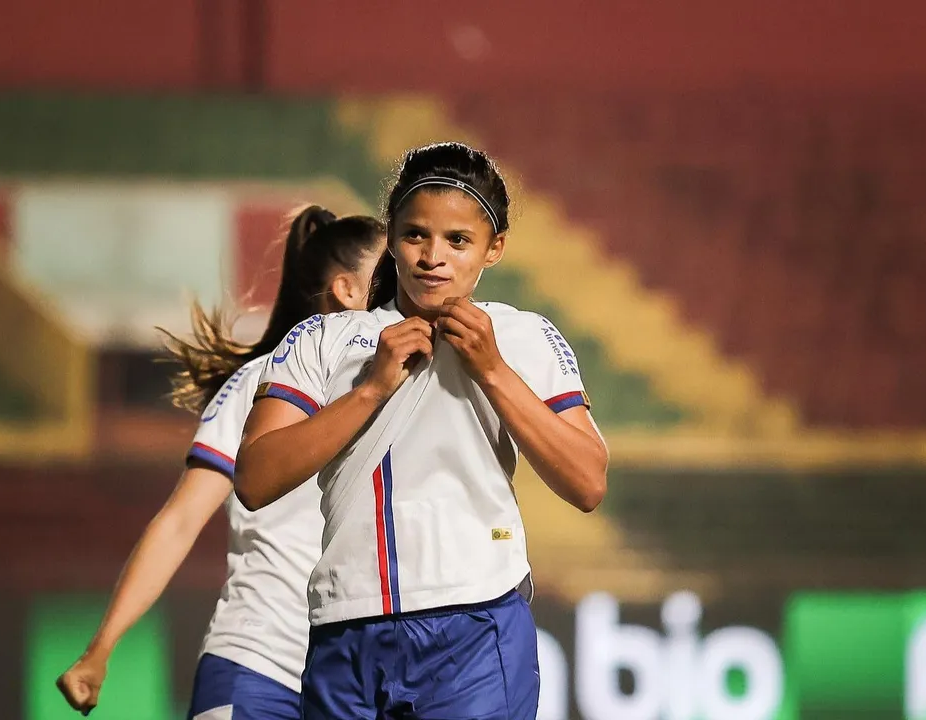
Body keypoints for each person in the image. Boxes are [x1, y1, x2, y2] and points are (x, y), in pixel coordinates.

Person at [236, 142, 609, 719]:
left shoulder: (524, 336)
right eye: (416, 235)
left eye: (458, 240)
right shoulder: (323, 340)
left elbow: (587, 481)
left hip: (476, 629)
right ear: (391, 234)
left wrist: (492, 369)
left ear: (494, 248)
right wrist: (370, 389)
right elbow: (254, 479)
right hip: (344, 629)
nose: (433, 256)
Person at [55, 206, 387, 719]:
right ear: (347, 291)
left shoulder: (411, 385)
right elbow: (181, 520)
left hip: (359, 686)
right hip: (261, 666)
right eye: (390, 275)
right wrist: (100, 649)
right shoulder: (260, 381)